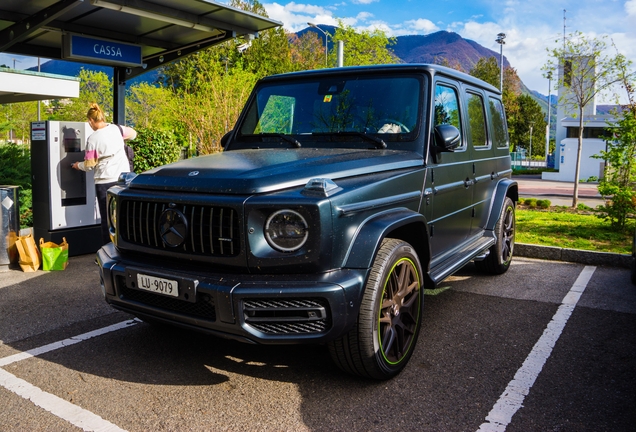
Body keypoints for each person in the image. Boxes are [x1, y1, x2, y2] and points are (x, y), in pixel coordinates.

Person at [72, 103, 137, 245]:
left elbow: (89, 165)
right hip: (123, 179)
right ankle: (127, 247)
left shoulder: (93, 139)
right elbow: (133, 134)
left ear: (91, 121)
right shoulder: (117, 129)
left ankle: (107, 250)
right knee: (123, 215)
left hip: (104, 182)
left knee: (107, 217)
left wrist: (77, 166)